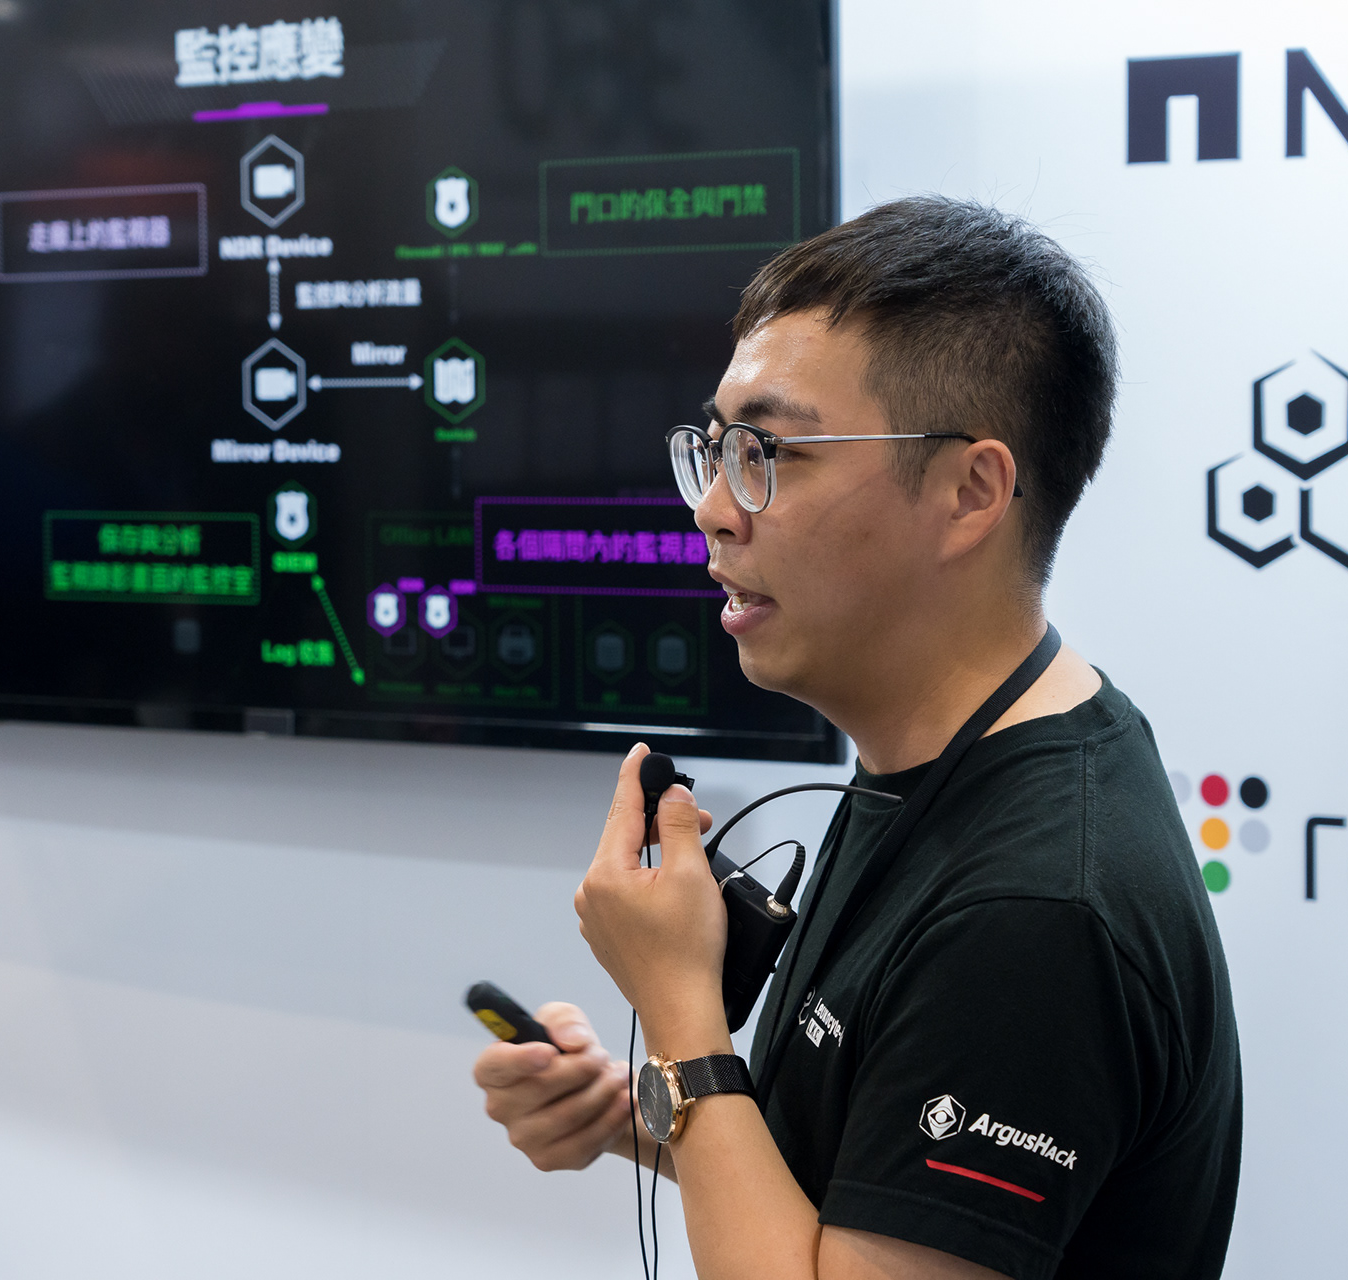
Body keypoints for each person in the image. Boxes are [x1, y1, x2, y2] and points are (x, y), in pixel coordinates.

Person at [472, 198, 1240, 1280]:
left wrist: (680, 1011)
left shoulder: (1033, 914)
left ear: (970, 492)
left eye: (770, 452)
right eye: (717, 450)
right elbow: (855, 1191)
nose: (714, 509)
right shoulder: (936, 758)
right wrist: (630, 1113)